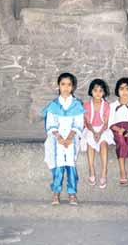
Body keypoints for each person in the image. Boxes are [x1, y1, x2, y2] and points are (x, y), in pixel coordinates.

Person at [42, 72, 85, 205]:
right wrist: (60, 138)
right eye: (63, 84)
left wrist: (70, 138)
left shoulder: (77, 105)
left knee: (71, 167)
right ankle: (56, 193)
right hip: (57, 141)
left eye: (69, 85)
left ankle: (72, 194)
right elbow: (50, 125)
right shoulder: (53, 105)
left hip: (71, 140)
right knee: (58, 167)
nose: (66, 87)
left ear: (73, 87)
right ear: (58, 86)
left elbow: (78, 123)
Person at [80, 79, 115, 189]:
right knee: (90, 144)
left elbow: (106, 123)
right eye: (95, 90)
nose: (98, 93)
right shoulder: (86, 105)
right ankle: (91, 170)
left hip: (102, 129)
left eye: (101, 90)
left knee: (103, 144)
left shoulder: (106, 106)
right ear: (91, 91)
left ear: (104, 92)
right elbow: (87, 122)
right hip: (90, 129)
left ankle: (104, 171)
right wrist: (94, 132)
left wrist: (99, 133)